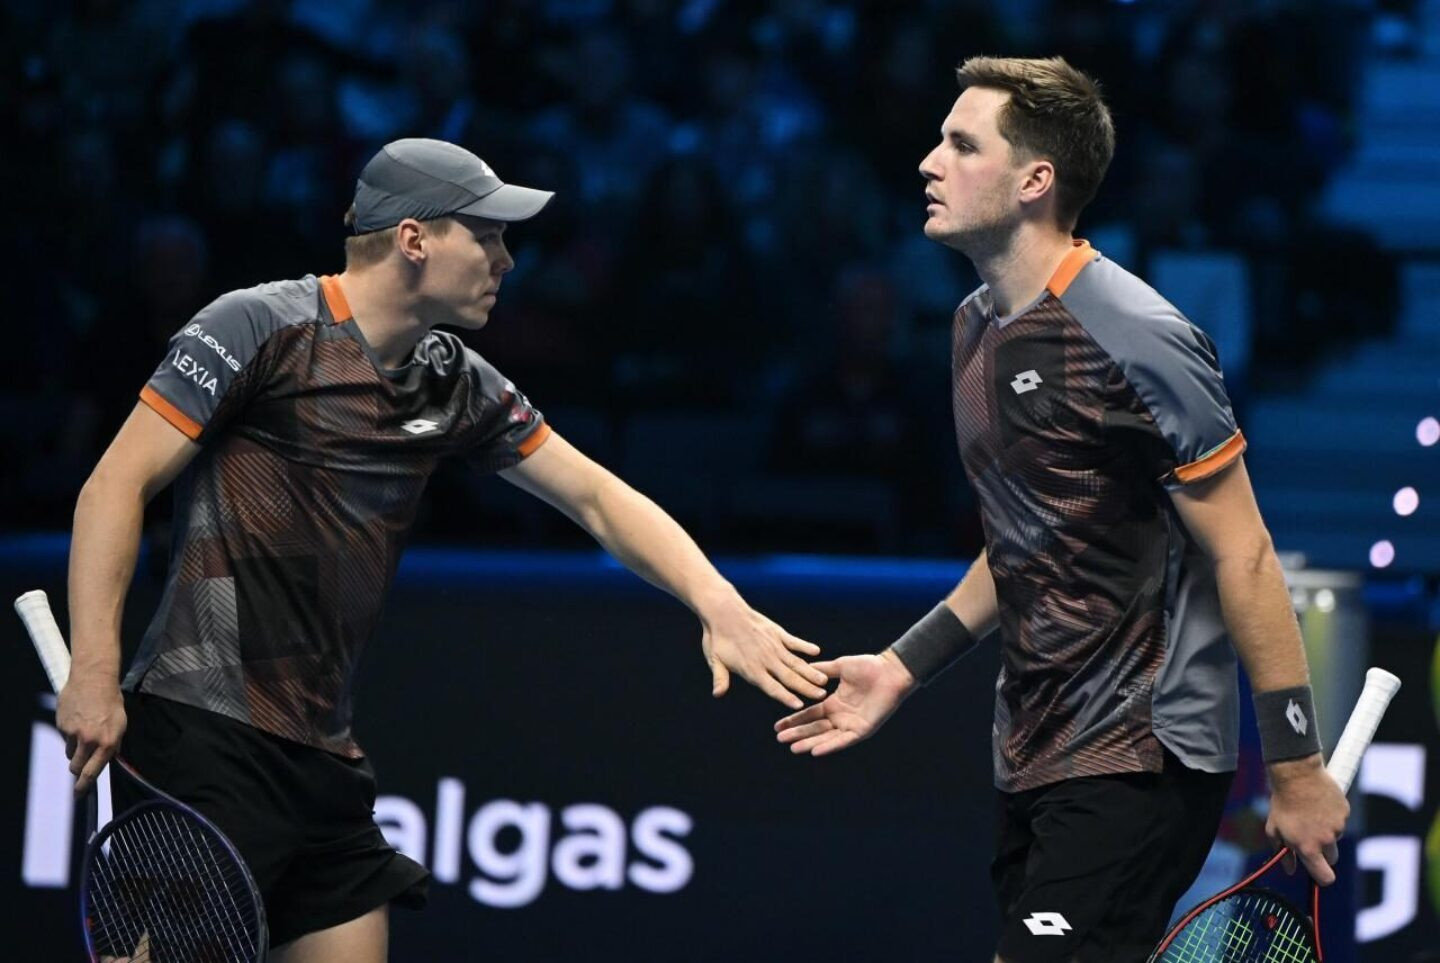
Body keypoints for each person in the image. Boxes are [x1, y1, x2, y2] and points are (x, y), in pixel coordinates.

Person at [57, 137, 829, 962]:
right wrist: (95, 672)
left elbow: (597, 498)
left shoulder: (452, 379)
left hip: (323, 758)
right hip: (206, 736)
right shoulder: (257, 325)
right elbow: (113, 486)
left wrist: (716, 602)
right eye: (486, 235)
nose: (507, 259)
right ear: (413, 239)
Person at [775, 57, 1350, 962]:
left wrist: (1296, 766)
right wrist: (901, 666)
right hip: (1031, 752)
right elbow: (1028, 536)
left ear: (1034, 181)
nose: (929, 161)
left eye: (962, 145)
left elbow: (1244, 553)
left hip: (1141, 753)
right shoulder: (973, 327)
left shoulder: (1139, 334)